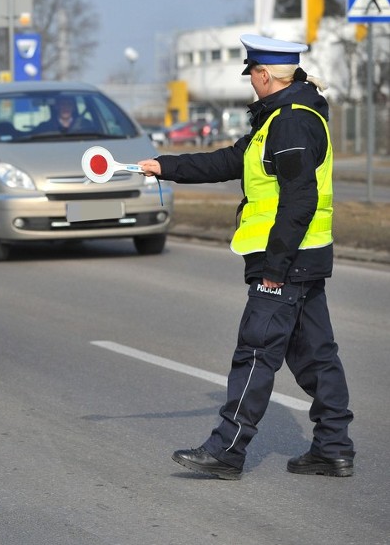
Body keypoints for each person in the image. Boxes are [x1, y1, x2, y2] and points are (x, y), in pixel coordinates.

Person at [138, 34, 355, 480]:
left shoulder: (291, 122)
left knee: (256, 350)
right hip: (304, 257)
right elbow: (227, 162)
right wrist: (165, 166)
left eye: (252, 76)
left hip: (286, 260)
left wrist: (274, 269)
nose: (250, 85)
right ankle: (333, 447)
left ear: (262, 75)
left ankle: (226, 451)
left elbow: (299, 199)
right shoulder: (279, 119)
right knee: (315, 354)